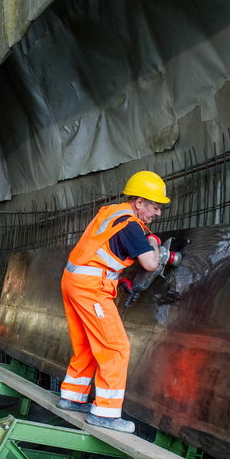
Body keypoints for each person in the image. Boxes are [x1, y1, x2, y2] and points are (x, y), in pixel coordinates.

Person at [58, 170, 177, 433]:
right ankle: (106, 414)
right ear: (139, 203)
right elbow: (150, 262)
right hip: (90, 288)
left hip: (74, 280)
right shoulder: (130, 225)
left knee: (87, 344)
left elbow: (106, 250)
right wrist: (155, 243)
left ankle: (72, 396)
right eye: (155, 207)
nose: (157, 213)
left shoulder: (113, 212)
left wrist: (116, 279)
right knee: (116, 347)